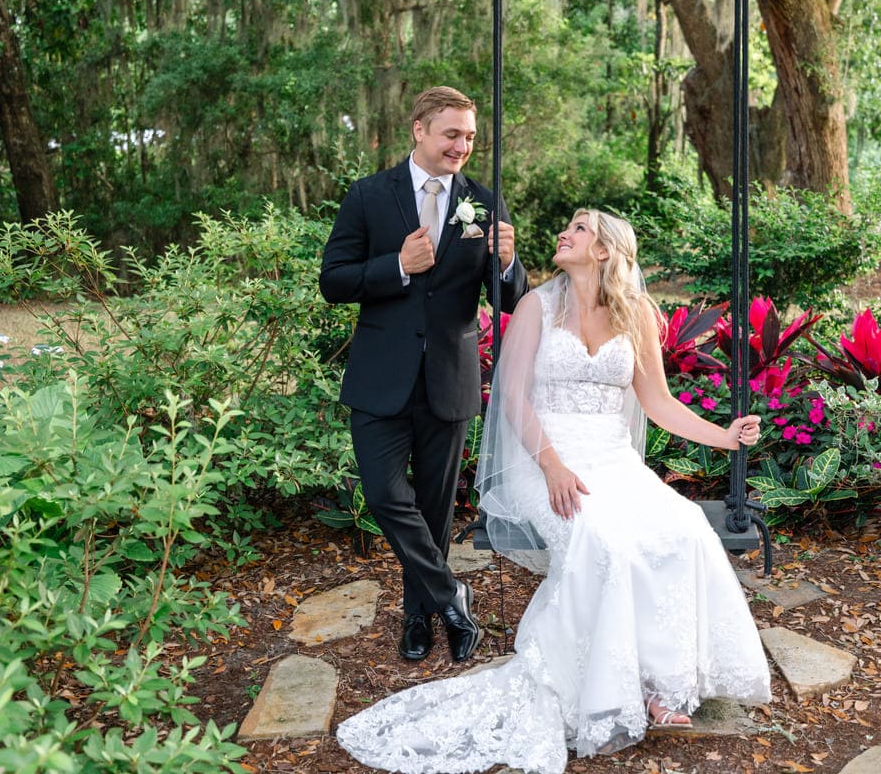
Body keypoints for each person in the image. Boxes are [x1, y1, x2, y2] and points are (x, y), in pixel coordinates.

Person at [336, 209, 771, 774]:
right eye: (568, 225)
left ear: (606, 251)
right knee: (605, 544)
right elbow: (512, 399)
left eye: (580, 229)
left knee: (684, 532)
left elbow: (657, 404)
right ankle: (606, 686)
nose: (564, 233)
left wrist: (725, 437)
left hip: (613, 461)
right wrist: (552, 466)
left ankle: (662, 683)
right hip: (542, 459)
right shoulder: (538, 305)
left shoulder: (636, 313)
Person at [320, 86, 529, 664]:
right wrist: (397, 268)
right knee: (386, 494)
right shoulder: (368, 196)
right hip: (380, 378)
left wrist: (507, 262)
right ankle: (451, 596)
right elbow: (333, 280)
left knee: (436, 512)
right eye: (451, 134)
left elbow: (510, 298)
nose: (462, 146)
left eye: (469, 137)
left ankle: (421, 619)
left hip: (449, 378)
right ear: (419, 130)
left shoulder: (485, 202)